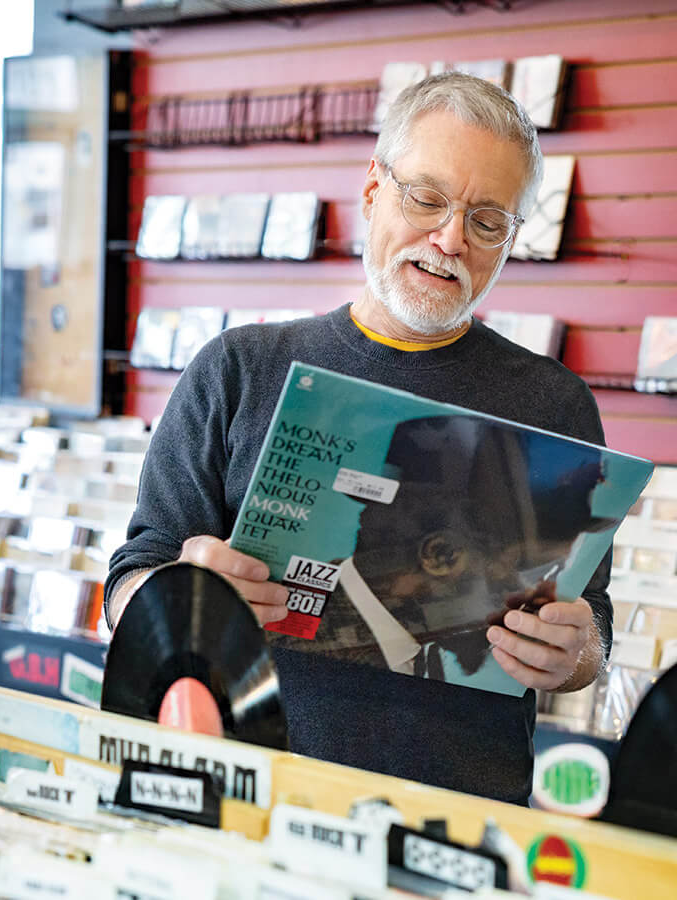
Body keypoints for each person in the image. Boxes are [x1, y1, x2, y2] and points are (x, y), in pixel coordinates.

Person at [106, 73, 614, 803]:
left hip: (456, 824)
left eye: (487, 220)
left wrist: (576, 651)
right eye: (427, 198)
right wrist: (181, 594)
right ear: (373, 190)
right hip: (246, 794)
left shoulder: (555, 403)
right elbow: (128, 580)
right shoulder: (239, 370)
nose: (449, 239)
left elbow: (590, 618)